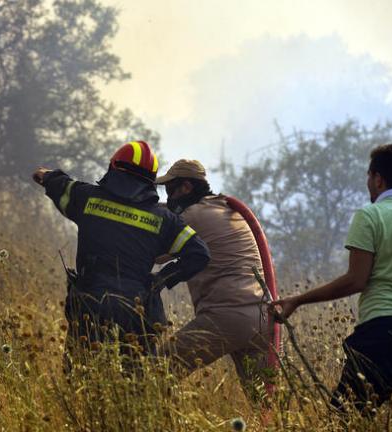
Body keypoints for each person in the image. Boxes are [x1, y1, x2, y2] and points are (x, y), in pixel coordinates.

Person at [272, 143, 392, 427]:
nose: (368, 184)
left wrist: (299, 299)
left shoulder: (371, 216)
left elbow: (357, 280)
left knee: (343, 420)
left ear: (378, 178)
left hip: (383, 332)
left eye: (369, 177)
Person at [32, 141, 210, 359]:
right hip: (138, 311)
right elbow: (199, 254)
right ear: (150, 181)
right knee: (133, 385)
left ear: (114, 168)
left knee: (80, 378)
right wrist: (162, 279)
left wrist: (45, 175)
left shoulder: (86, 197)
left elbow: (56, 182)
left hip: (91, 308)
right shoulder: (165, 221)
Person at [155, 159, 274, 396]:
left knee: (157, 371)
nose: (169, 198)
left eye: (171, 190)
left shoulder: (192, 215)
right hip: (262, 317)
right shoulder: (226, 209)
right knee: (264, 404)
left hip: (226, 316)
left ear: (186, 187)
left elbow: (158, 255)